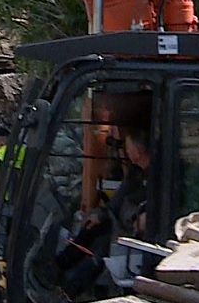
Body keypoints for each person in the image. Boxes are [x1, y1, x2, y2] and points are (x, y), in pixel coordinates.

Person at [56, 127, 150, 298]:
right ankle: (59, 266)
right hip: (118, 223)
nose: (126, 152)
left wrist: (142, 217)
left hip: (132, 236)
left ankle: (68, 292)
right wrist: (100, 214)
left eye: (128, 148)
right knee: (90, 227)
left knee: (102, 248)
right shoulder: (135, 174)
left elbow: (153, 208)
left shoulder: (157, 176)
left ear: (137, 151)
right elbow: (117, 201)